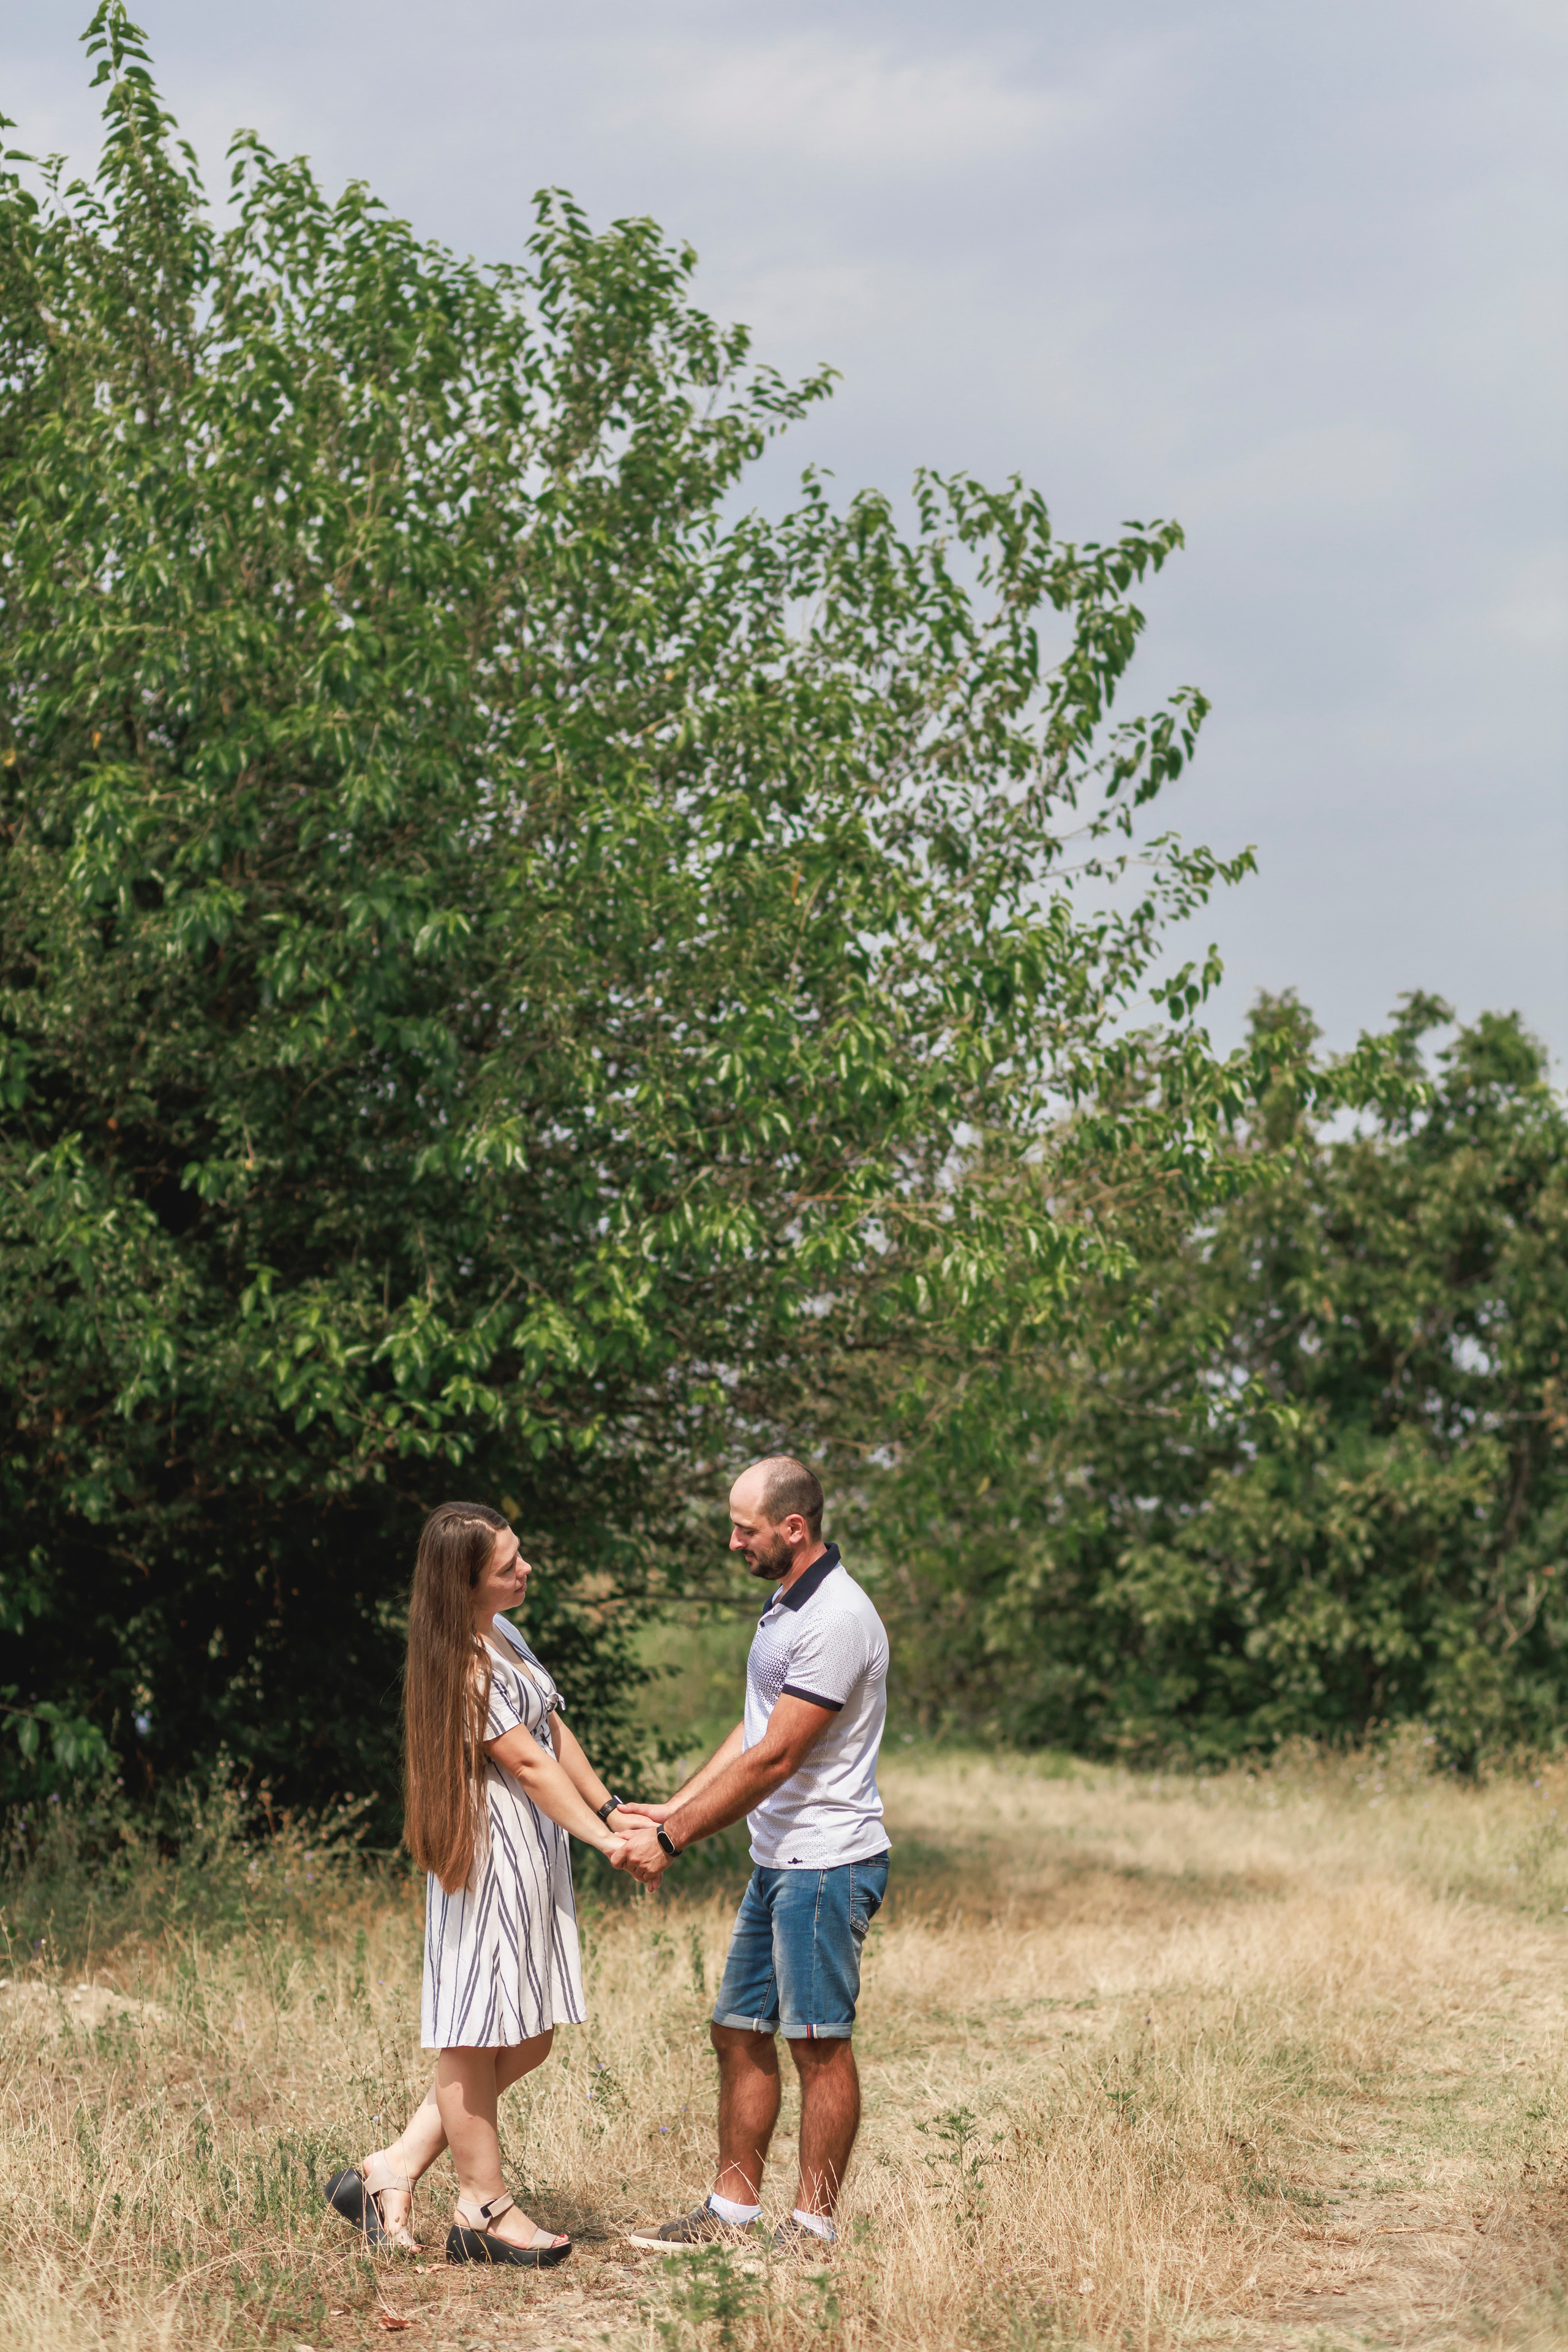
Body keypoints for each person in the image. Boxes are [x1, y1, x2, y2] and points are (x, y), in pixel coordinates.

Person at [325, 1501, 648, 2267]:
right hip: (490, 1856)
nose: (525, 1568)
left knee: (527, 2036)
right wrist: (606, 1842)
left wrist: (609, 1807)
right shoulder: (463, 1663)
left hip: (533, 1852)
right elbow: (527, 1767)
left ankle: (392, 2168)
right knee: (475, 2031)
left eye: (520, 1553)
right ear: (464, 1583)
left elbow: (551, 1733)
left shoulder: (502, 1634)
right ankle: (483, 2208)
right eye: (508, 1566)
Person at [619, 1457, 890, 2254]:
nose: (732, 1541)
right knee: (739, 2030)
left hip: (825, 1862)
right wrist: (678, 1802)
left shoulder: (836, 1617)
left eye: (745, 1528)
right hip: (779, 1860)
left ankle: (812, 2229)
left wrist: (671, 1840)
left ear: (793, 1528)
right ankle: (733, 2212)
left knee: (817, 2043)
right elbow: (756, 1728)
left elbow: (778, 1761)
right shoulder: (785, 1604)